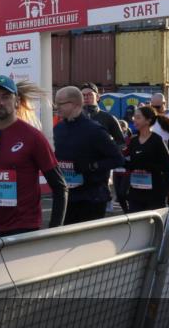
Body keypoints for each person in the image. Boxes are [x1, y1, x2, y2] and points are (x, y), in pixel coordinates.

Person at [0, 76, 67, 240]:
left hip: (24, 228)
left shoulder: (33, 137)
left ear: (17, 101)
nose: (0, 102)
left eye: (6, 97)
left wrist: (54, 231)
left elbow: (60, 186)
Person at [53, 86, 125, 225]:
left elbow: (117, 159)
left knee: (86, 244)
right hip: (67, 196)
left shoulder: (94, 129)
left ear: (74, 104)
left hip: (92, 198)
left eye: (60, 104)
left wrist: (92, 166)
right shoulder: (58, 128)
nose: (57, 107)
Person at [124, 106, 169, 212]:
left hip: (154, 192)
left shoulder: (156, 140)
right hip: (136, 191)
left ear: (148, 120)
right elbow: (130, 163)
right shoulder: (133, 141)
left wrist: (148, 168)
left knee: (154, 224)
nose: (134, 120)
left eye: (138, 117)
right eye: (134, 117)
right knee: (135, 222)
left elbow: (168, 165)